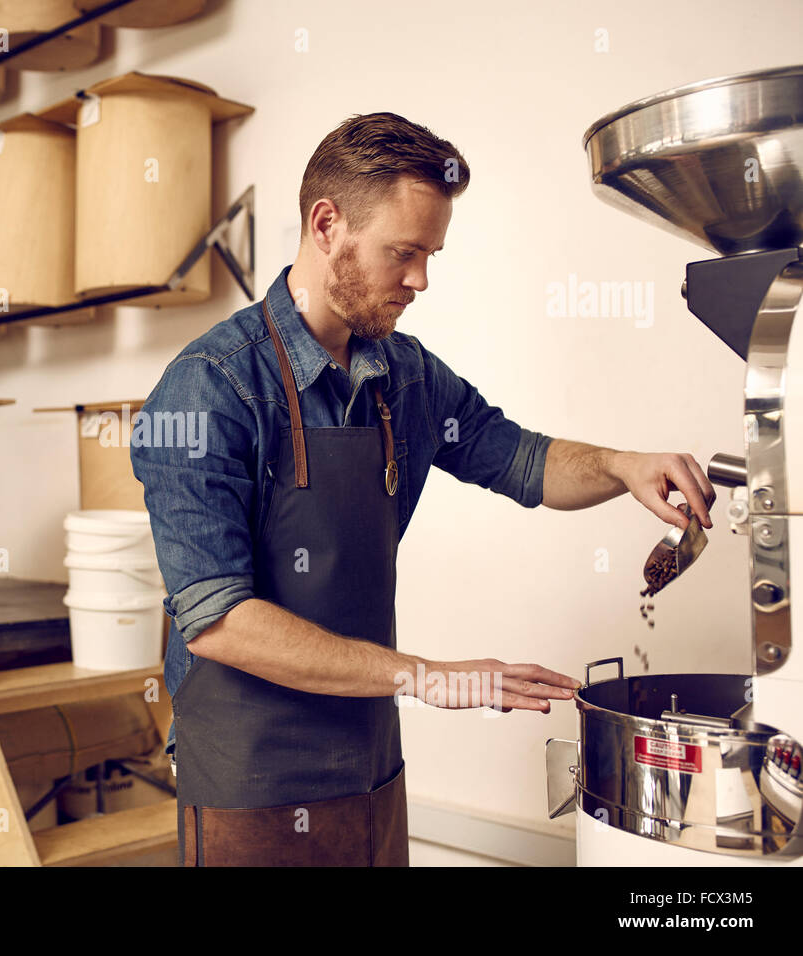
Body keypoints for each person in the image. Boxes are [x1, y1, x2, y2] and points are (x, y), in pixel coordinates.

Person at [129, 112, 716, 867]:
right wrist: (430, 678)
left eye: (431, 254)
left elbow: (520, 459)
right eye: (402, 253)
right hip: (251, 775)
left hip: (371, 757)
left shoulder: (403, 376)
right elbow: (218, 620)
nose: (420, 280)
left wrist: (623, 465)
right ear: (326, 224)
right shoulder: (208, 388)